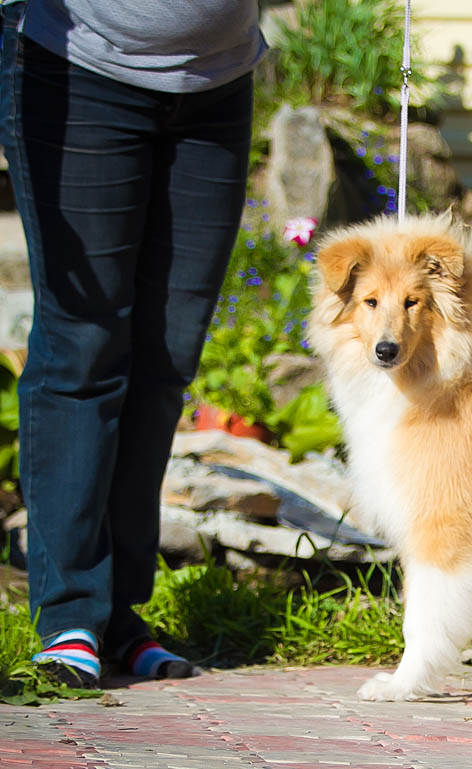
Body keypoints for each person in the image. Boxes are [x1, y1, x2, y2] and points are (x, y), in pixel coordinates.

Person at [0, 0, 265, 687]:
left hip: (216, 85)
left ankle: (119, 617)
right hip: (79, 73)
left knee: (167, 360)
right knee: (82, 345)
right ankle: (67, 618)